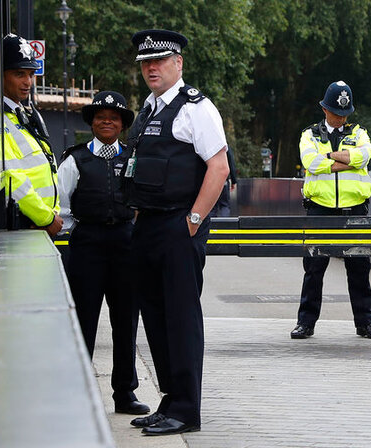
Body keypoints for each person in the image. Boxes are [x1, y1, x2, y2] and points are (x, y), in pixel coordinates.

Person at [124, 29, 229, 436]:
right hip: (149, 224)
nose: (152, 68)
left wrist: (193, 221)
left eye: (160, 61)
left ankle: (187, 409)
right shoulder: (150, 109)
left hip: (178, 225)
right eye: (146, 63)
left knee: (181, 318)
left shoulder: (196, 109)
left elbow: (218, 168)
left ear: (178, 63)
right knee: (156, 316)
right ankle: (170, 400)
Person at [58, 91, 149, 416]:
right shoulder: (75, 159)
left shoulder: (134, 158)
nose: (106, 121)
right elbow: (62, 207)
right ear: (92, 123)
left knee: (126, 322)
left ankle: (124, 394)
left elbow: (143, 199)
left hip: (126, 244)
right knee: (83, 321)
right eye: (100, 116)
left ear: (123, 124)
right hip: (87, 246)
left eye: (113, 117)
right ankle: (78, 394)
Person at [291, 80, 371, 340]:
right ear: (324, 109)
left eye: (345, 114)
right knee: (314, 267)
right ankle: (305, 323)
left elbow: (363, 157)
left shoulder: (359, 133)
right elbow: (310, 162)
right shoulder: (309, 134)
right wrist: (345, 160)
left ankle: (365, 323)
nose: (341, 118)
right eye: (336, 113)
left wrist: (329, 158)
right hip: (320, 208)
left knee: (359, 267)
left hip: (354, 210)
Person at [0, 34, 62, 236]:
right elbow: (11, 178)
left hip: (39, 224)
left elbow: (49, 168)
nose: (28, 82)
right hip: (25, 225)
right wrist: (46, 218)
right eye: (19, 74)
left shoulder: (24, 114)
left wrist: (52, 214)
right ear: (0, 75)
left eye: (31, 74)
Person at [210, 146, 238, 217]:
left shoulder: (208, 148)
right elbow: (231, 164)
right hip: (223, 181)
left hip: (210, 181)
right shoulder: (225, 147)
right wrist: (234, 180)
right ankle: (225, 225)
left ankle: (213, 226)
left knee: (211, 206)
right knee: (224, 205)